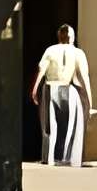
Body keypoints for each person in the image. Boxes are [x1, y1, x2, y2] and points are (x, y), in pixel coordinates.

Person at [30, 24, 90, 166]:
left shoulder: (50, 50)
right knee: (69, 125)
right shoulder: (78, 52)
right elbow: (84, 76)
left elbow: (41, 69)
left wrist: (35, 89)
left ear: (59, 36)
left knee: (49, 125)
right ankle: (65, 157)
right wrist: (89, 98)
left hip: (50, 86)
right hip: (67, 87)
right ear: (72, 37)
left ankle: (49, 157)